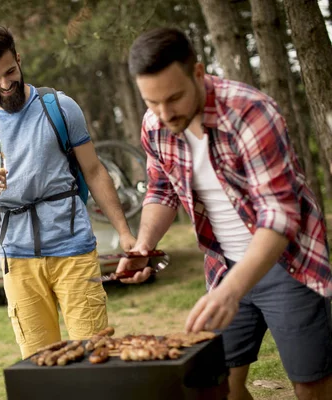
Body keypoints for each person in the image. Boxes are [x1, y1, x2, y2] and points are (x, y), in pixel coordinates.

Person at [118, 27, 332, 400]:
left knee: (311, 385)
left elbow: (278, 214)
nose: (164, 113)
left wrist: (231, 292)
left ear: (198, 74)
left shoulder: (250, 111)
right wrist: (144, 246)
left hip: (287, 264)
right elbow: (161, 189)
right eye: (152, 102)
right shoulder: (156, 124)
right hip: (222, 266)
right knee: (220, 386)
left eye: (174, 98)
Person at [0, 26, 137, 359]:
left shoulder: (60, 108)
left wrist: (125, 233)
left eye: (10, 72)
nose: (6, 84)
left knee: (94, 353)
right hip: (17, 258)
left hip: (73, 249)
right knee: (39, 363)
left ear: (19, 60)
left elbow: (94, 171)